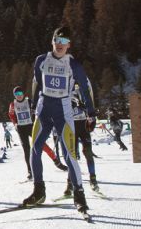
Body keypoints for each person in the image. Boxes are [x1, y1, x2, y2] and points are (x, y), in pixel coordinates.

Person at [21, 28, 92, 215]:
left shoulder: (73, 65)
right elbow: (37, 83)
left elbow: (85, 88)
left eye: (64, 41)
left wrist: (91, 112)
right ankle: (39, 191)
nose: (60, 44)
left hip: (63, 113)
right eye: (57, 40)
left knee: (70, 154)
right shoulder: (41, 60)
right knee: (35, 149)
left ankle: (79, 195)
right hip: (44, 111)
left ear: (69, 45)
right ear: (52, 42)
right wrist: (34, 105)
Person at [69, 79, 100, 194]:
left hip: (83, 125)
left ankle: (93, 179)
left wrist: (90, 114)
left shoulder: (84, 84)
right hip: (71, 125)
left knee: (88, 152)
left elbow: (91, 102)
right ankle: (70, 183)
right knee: (71, 155)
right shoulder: (66, 86)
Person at [8, 87, 36, 180]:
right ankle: (30, 171)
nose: (19, 96)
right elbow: (11, 115)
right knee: (26, 149)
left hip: (31, 126)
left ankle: (55, 160)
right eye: (16, 94)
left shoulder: (29, 101)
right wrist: (15, 124)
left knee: (39, 145)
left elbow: (36, 111)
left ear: (23, 94)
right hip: (21, 128)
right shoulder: (13, 104)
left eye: (20, 93)